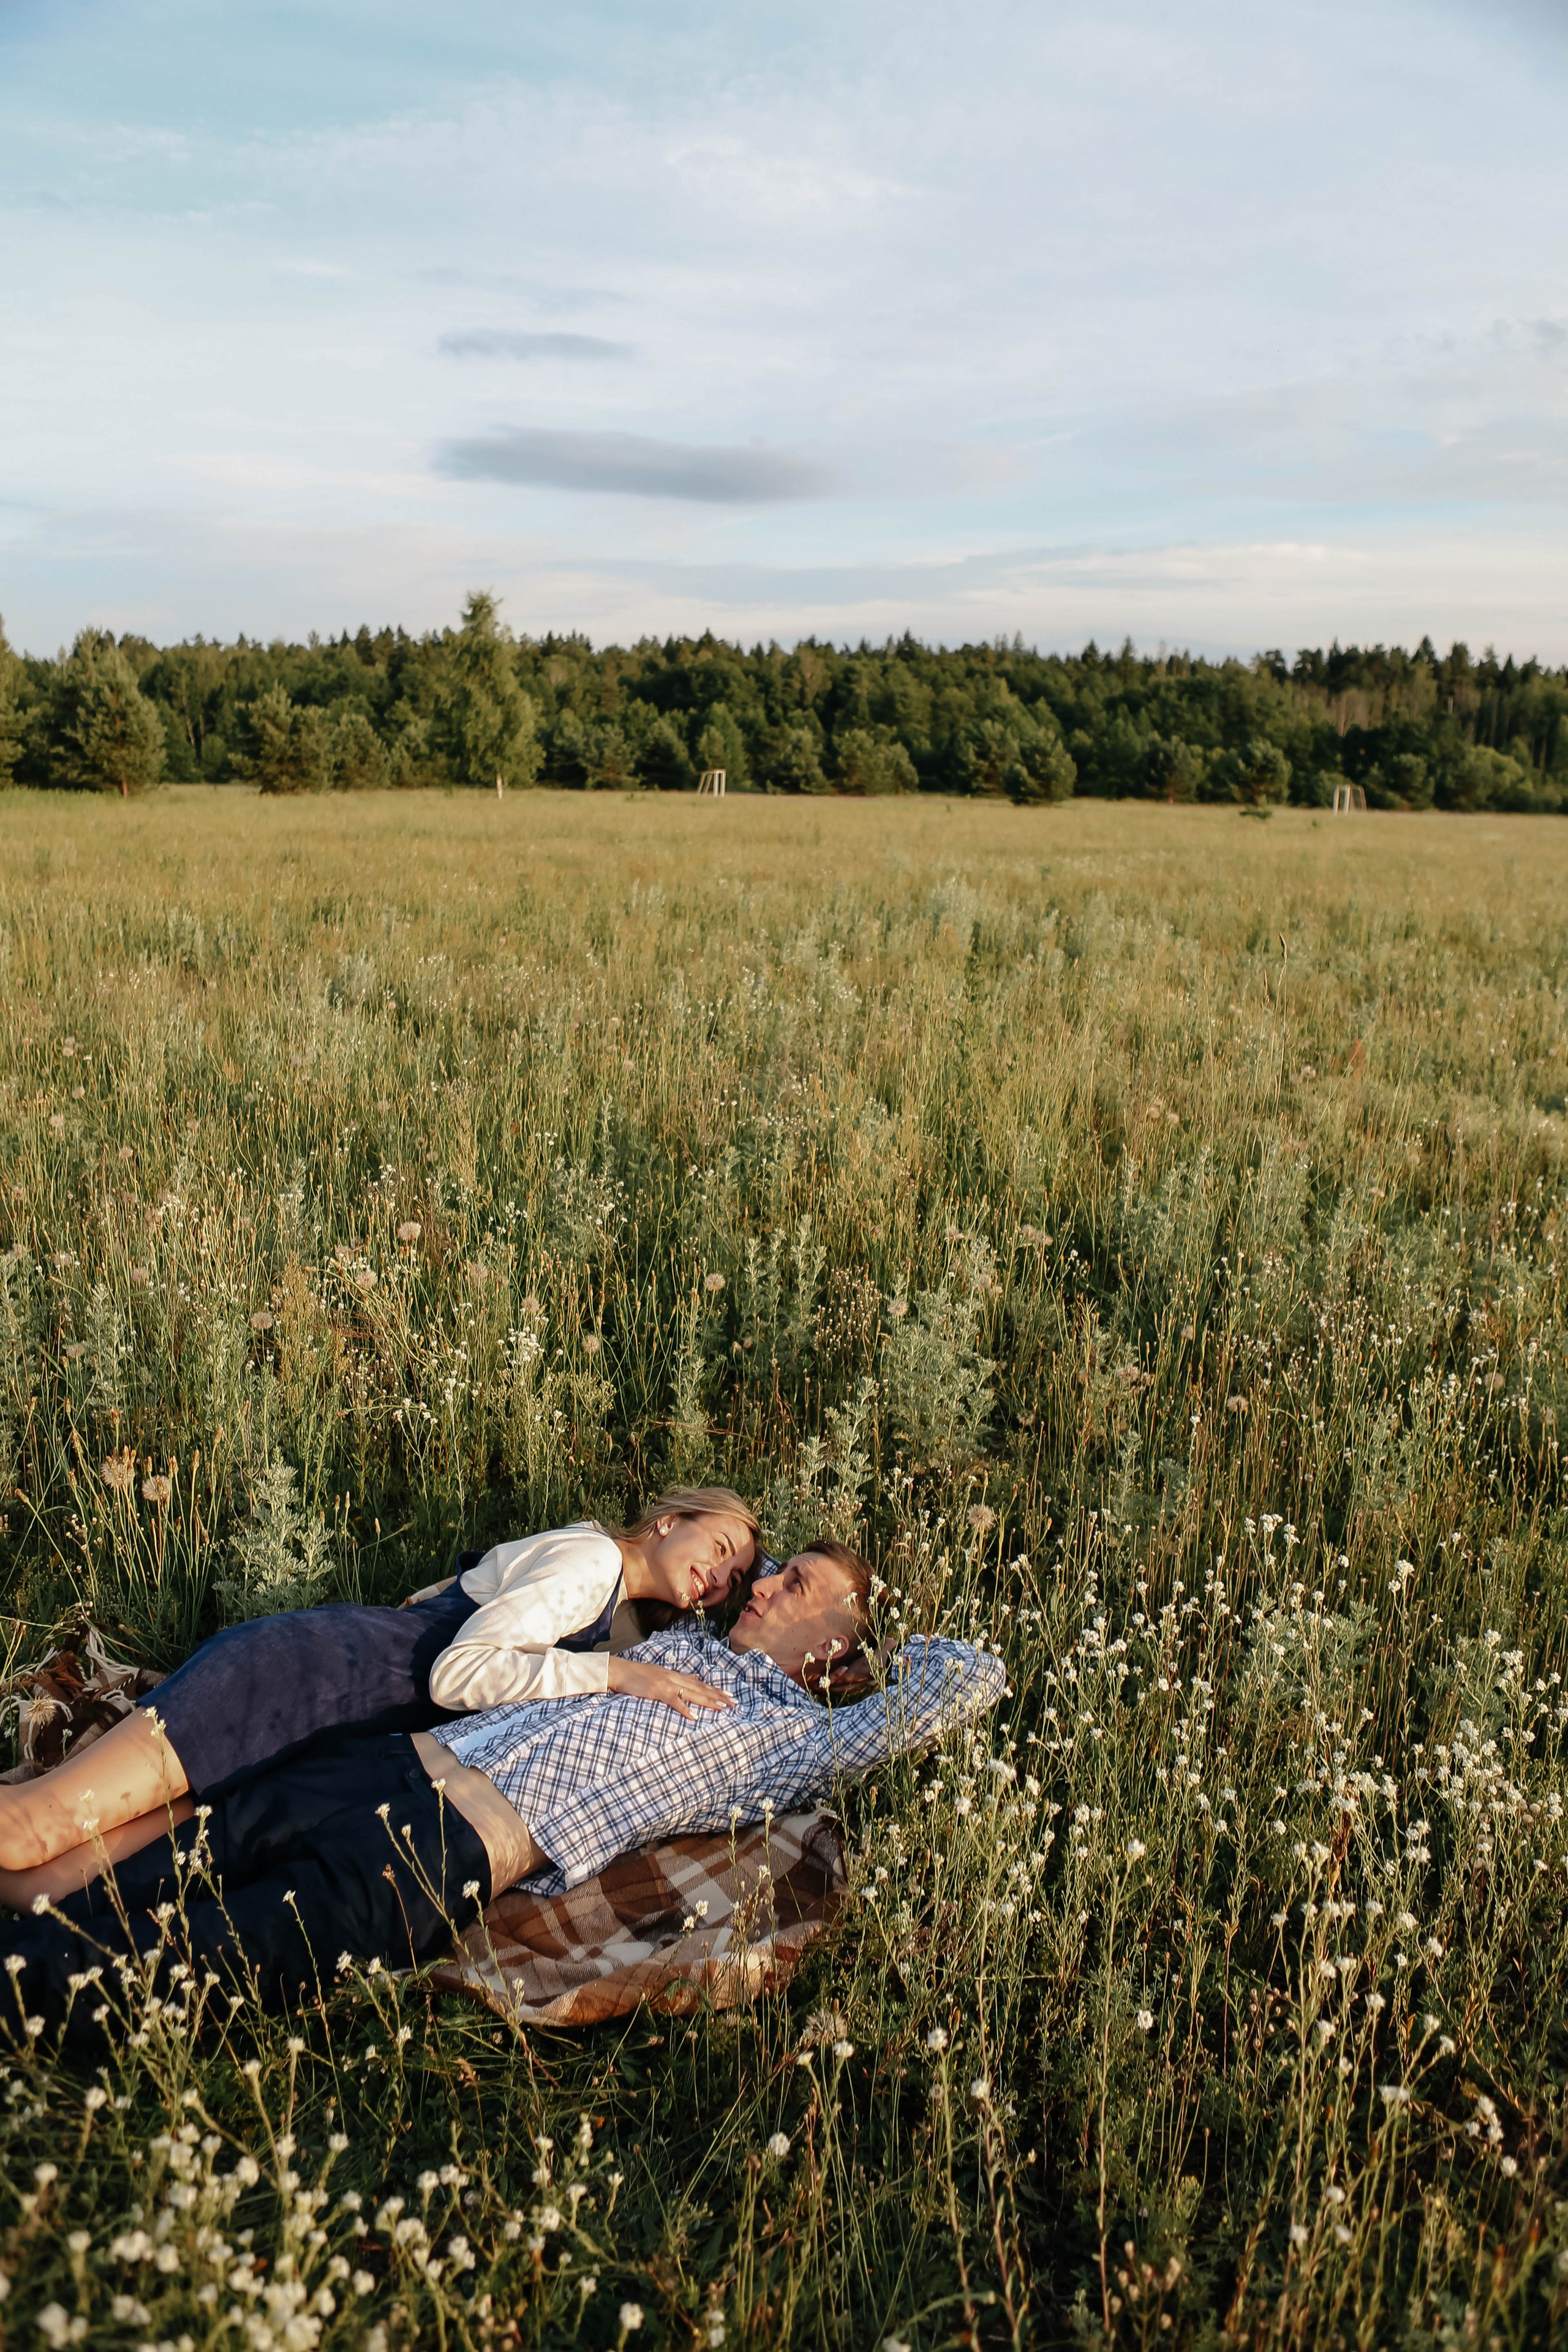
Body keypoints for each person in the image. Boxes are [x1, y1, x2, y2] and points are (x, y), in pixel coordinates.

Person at [1, 1544, 1006, 2049]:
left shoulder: (795, 1742)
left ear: (833, 1646)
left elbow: (969, 1680)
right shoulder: (675, 1638)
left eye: (800, 1588)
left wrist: (891, 1636)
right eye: (781, 1568)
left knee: (188, 1970)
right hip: (380, 1766)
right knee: (113, 1890)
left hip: (438, 1854)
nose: (772, 1581)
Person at [0, 1488, 760, 1899]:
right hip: (291, 1683)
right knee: (36, 1830)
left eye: (732, 1583)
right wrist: (617, 1673)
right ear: (666, 1522)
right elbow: (458, 1673)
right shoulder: (592, 1563)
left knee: (55, 1881)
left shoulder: (613, 1612)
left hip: (323, 1732)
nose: (719, 1579)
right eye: (718, 1549)